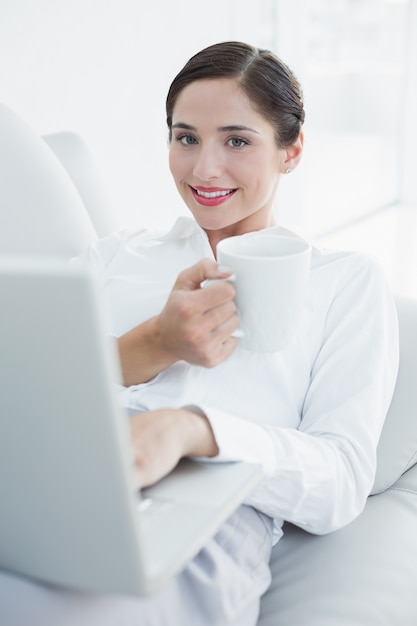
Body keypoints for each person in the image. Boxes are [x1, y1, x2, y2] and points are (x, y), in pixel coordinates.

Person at [0, 41, 399, 626]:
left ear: (291, 152)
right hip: (54, 488)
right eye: (186, 137)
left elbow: (340, 478)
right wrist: (155, 344)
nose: (204, 168)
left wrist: (193, 429)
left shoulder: (343, 282)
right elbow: (24, 388)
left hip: (205, 522)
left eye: (237, 140)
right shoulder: (116, 256)